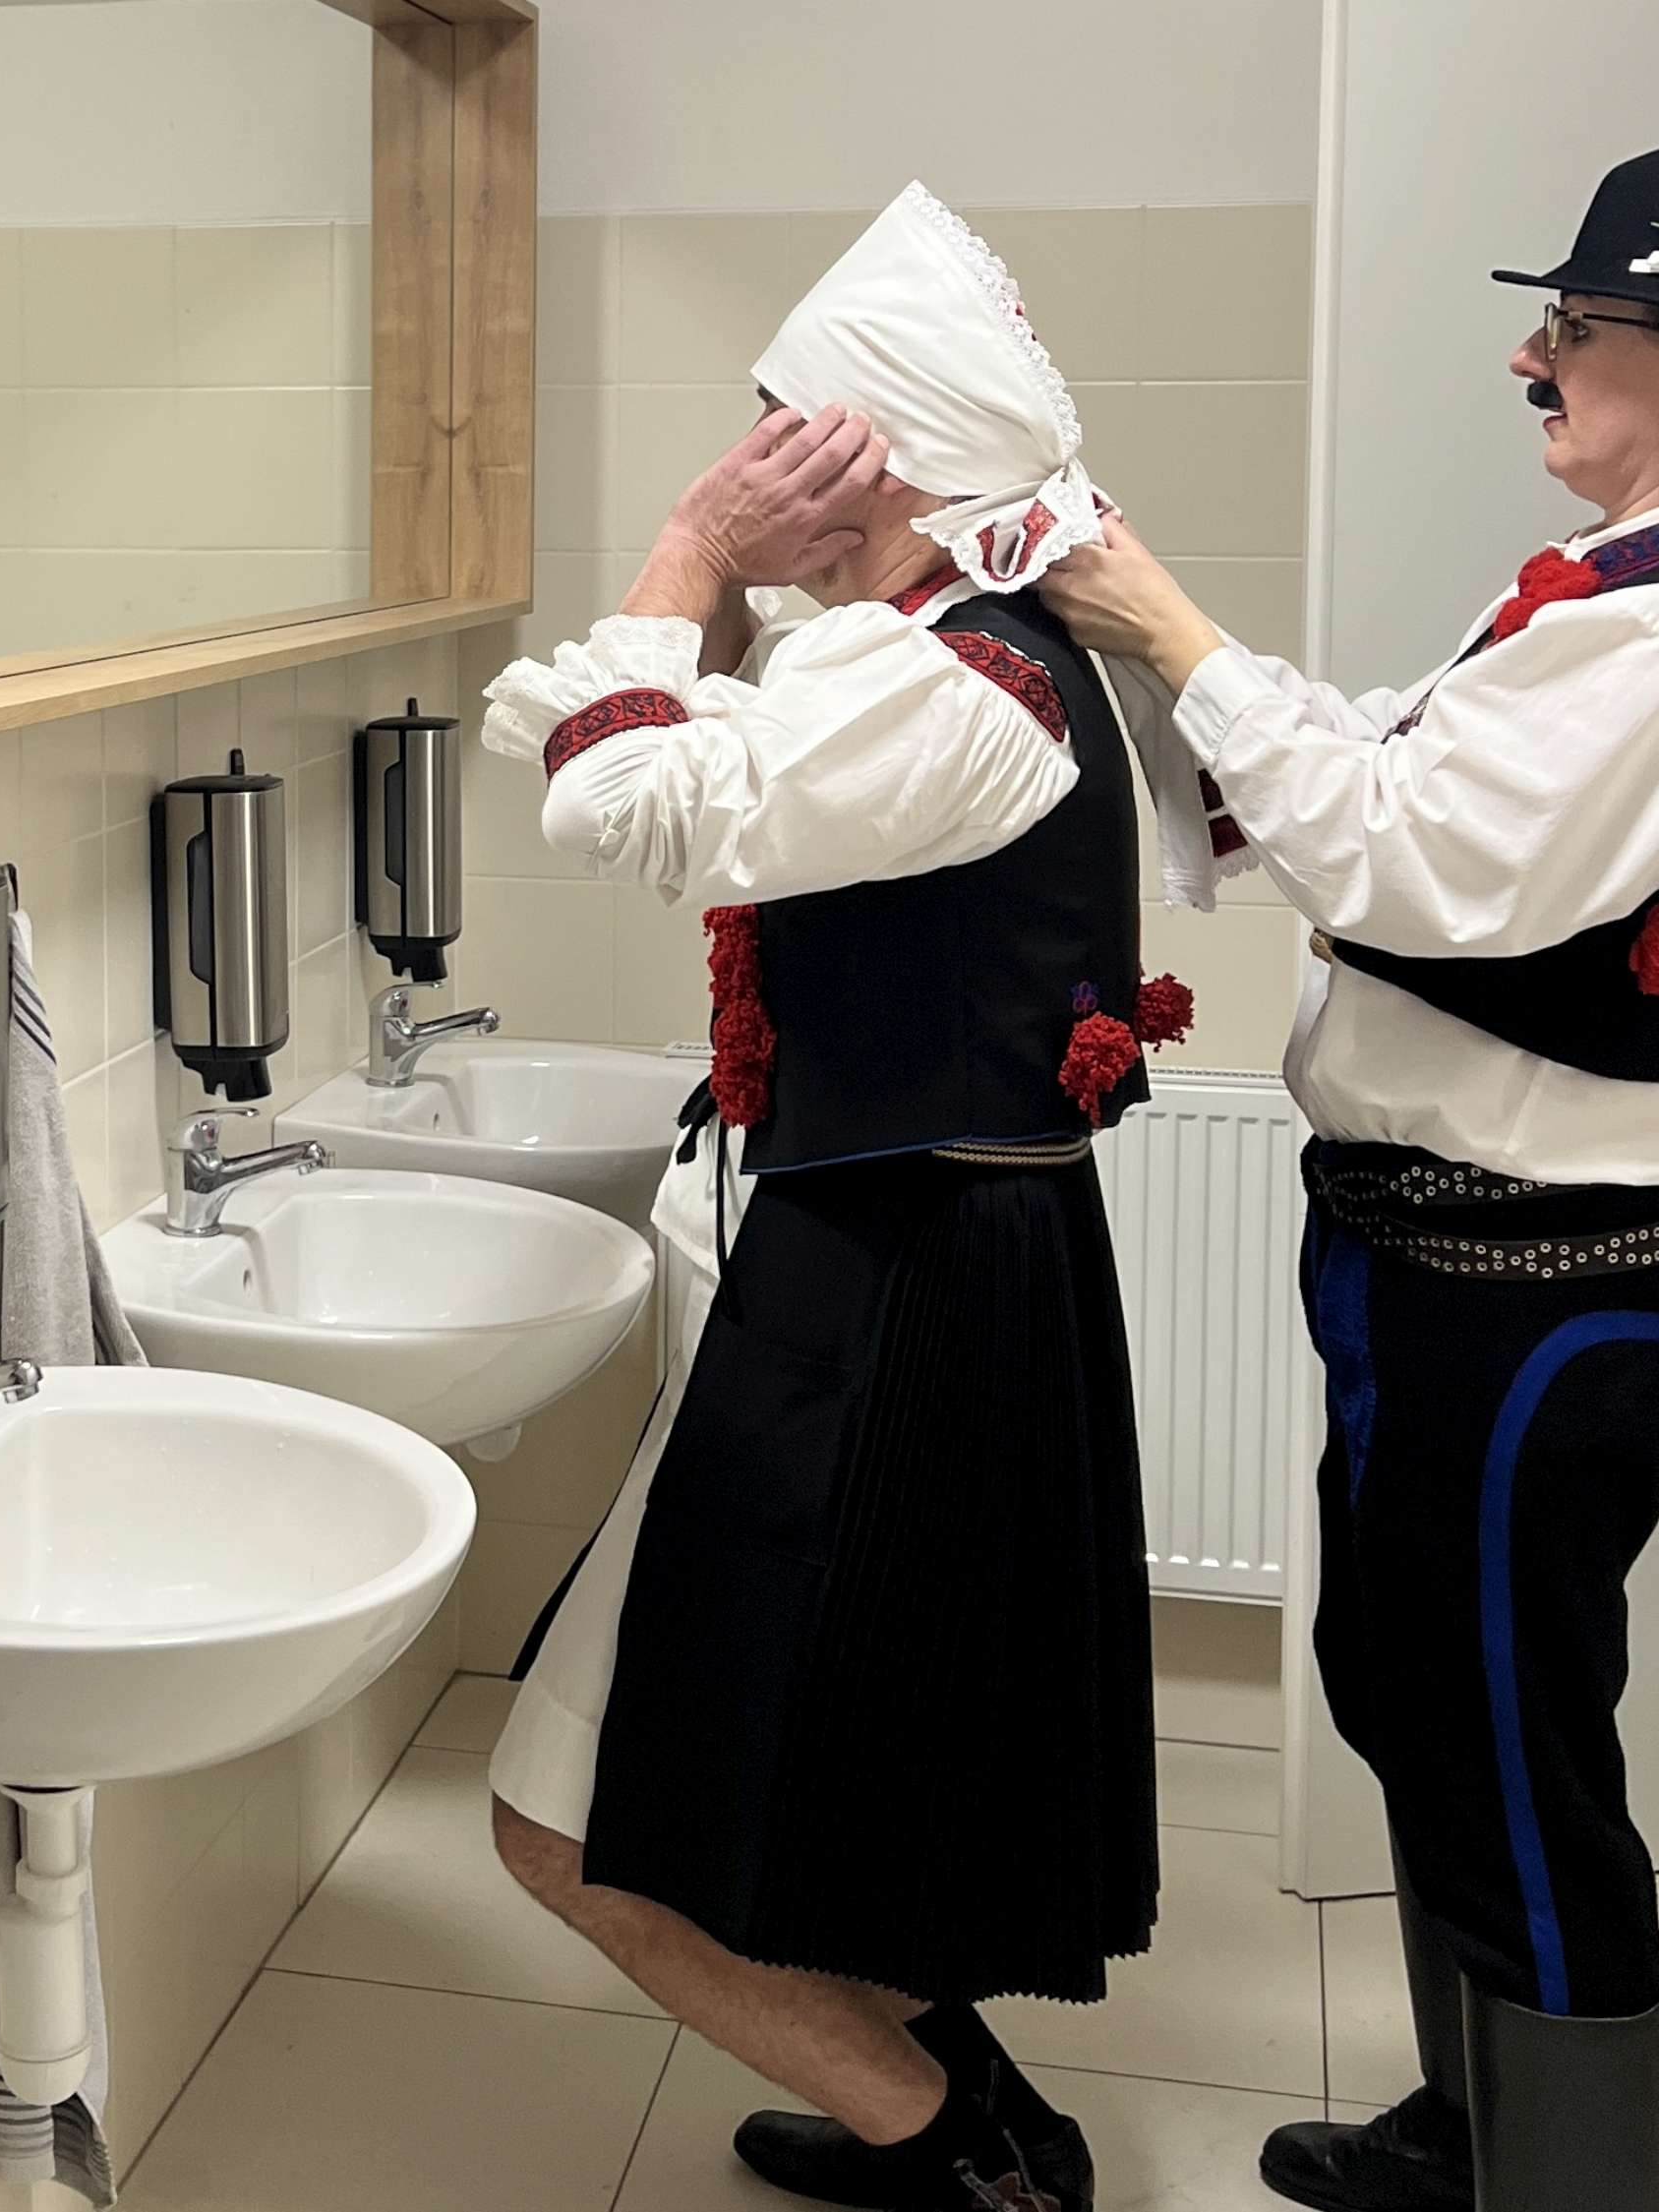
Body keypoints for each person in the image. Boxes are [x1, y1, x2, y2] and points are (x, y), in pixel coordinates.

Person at [1036, 103, 1659, 2212]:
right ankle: (1473, 2134)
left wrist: (1167, 621)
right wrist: (1140, 650)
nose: (1533, 361)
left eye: (1575, 330)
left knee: (1513, 1750)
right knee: (1423, 1695)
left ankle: (1553, 2180)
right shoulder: (1620, 600)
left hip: (1543, 1289)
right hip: (1445, 1264)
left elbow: (1413, 860)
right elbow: (1361, 779)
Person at [478, 183, 1202, 2212]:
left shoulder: (955, 688)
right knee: (854, 1782)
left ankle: (958, 2155)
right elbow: (650, 734)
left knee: (571, 1821)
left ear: (870, 450)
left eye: (779, 421)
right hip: (933, 1263)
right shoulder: (945, 657)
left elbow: (623, 788)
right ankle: (970, 2120)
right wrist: (713, 591)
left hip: (899, 1288)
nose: (750, 454)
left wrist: (695, 546)